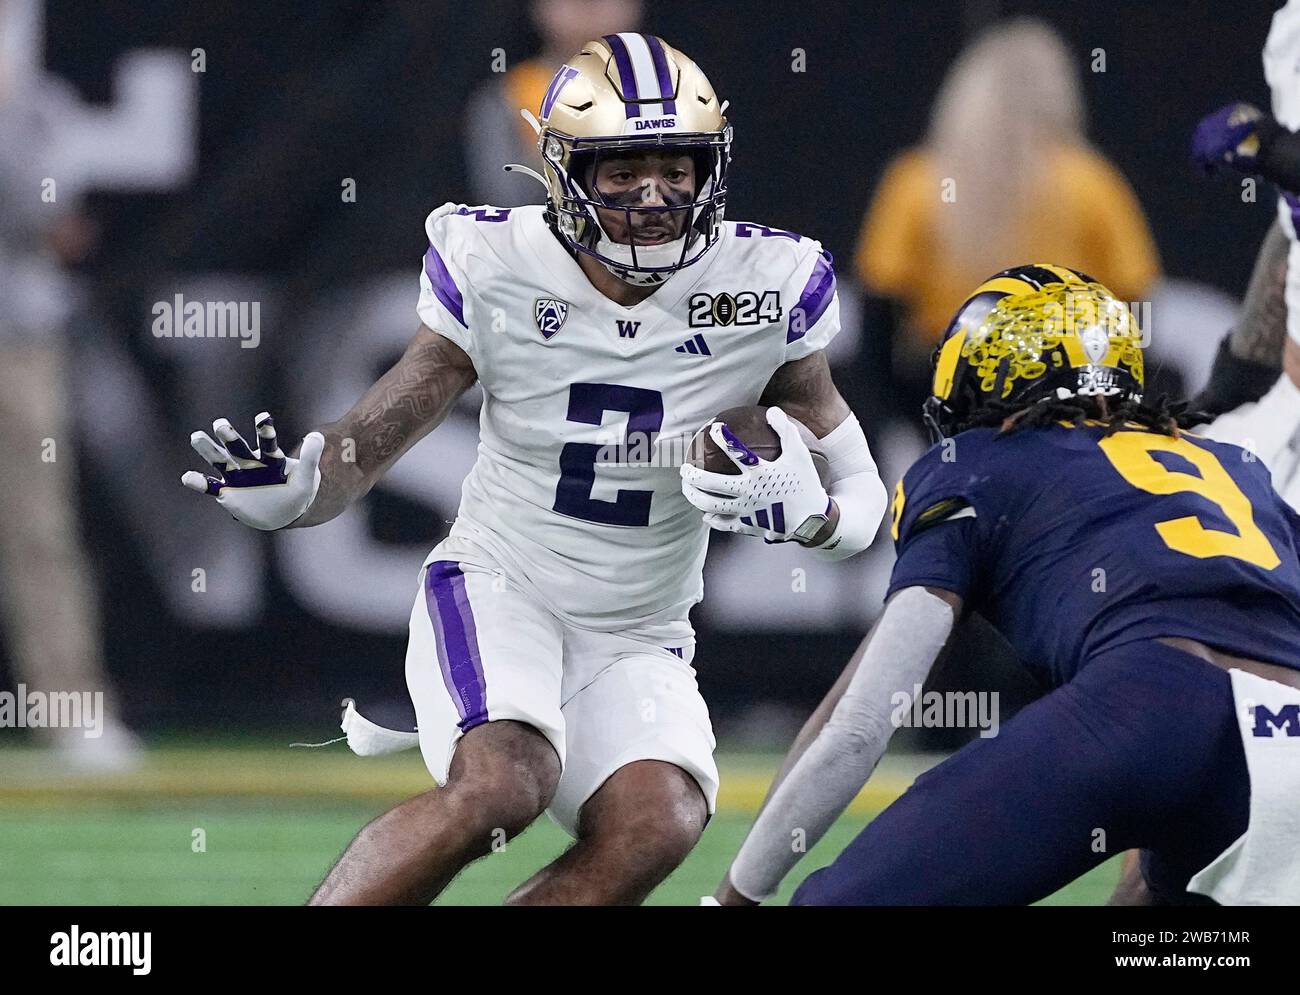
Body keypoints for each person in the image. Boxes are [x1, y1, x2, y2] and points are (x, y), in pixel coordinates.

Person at [180, 33, 888, 906]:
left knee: (659, 818)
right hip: (502, 585)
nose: (655, 196)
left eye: (675, 166)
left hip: (641, 628)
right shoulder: (502, 265)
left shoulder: (765, 284)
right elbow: (383, 422)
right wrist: (304, 490)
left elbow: (863, 499)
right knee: (500, 786)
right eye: (622, 171)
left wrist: (811, 515)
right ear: (561, 172)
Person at [712, 264, 1300, 906]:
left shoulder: (979, 465)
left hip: (1149, 701)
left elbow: (860, 722)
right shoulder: (1237, 467)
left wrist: (734, 897)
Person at [855, 18, 1159, 414]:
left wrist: (899, 409)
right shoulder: (1090, 183)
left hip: (951, 386)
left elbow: (878, 311)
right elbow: (1136, 299)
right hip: (1064, 385)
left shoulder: (918, 182)